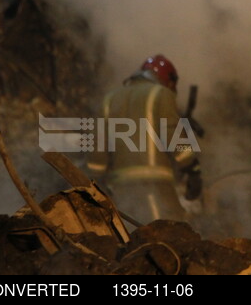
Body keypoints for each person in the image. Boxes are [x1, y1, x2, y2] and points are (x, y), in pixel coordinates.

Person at [87, 55, 202, 224]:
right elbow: (172, 133)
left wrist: (97, 184)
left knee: (131, 238)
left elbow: (97, 149)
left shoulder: (109, 99)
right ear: (168, 79)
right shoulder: (161, 94)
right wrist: (192, 169)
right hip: (154, 186)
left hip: (119, 189)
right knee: (168, 237)